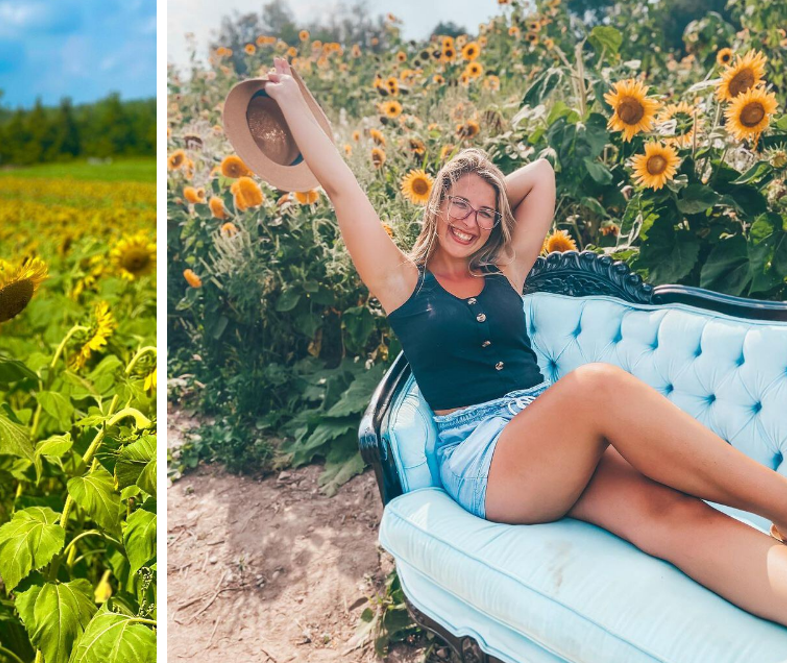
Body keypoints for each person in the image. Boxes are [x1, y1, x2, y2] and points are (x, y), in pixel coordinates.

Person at [258, 55, 787, 627]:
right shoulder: (402, 284)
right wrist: (290, 102)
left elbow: (540, 173)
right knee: (595, 386)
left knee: (670, 514)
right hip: (485, 458)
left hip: (547, 443)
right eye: (458, 204)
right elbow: (341, 188)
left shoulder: (502, 271)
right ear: (435, 206)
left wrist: (480, 201)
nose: (472, 219)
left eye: (486, 212)